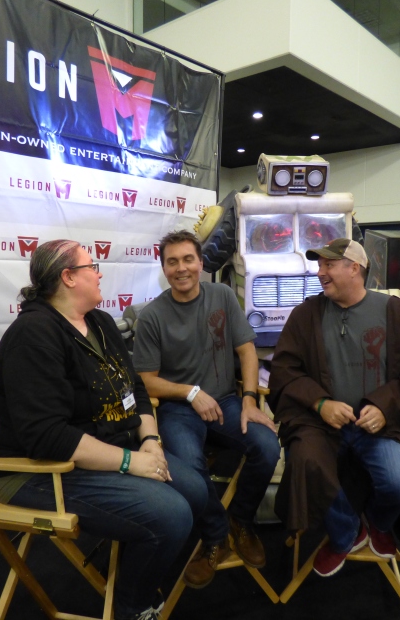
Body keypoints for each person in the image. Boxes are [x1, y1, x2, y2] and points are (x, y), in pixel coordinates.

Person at [0, 239, 208, 620]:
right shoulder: (33, 336)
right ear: (69, 277)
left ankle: (133, 568)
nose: (99, 273)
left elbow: (135, 389)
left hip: (103, 451)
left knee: (196, 491)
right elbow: (47, 437)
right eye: (92, 267)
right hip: (35, 471)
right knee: (172, 515)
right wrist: (129, 462)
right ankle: (132, 605)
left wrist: (151, 441)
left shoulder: (101, 322)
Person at [268, 237, 400, 577]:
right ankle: (347, 533)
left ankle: (377, 522)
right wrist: (320, 404)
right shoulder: (306, 315)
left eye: (329, 265)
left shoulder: (397, 314)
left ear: (354, 269)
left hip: (381, 428)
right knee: (305, 463)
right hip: (321, 424)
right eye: (319, 266)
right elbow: (284, 372)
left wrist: (385, 408)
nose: (320, 273)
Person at [132, 230, 281, 589]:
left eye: (188, 259)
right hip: (178, 409)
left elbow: (246, 349)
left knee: (268, 447)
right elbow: (145, 381)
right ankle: (215, 535)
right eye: (172, 261)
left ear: (200, 263)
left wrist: (248, 399)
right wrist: (190, 392)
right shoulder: (152, 316)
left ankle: (241, 520)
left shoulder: (223, 295)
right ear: (163, 267)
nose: (181, 268)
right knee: (187, 464)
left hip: (228, 402)